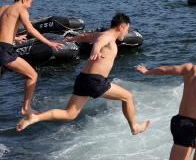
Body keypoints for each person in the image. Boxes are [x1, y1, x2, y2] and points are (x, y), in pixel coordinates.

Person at [16, 13, 150, 134]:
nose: (127, 32)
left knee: (69, 114)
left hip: (83, 79)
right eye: (127, 29)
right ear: (120, 27)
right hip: (95, 80)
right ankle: (134, 127)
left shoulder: (101, 34)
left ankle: (36, 117)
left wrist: (73, 38)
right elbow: (98, 43)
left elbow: (85, 37)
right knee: (127, 97)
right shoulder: (107, 36)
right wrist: (95, 50)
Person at [0, 0, 63, 116]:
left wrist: (15, 37)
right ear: (24, 0)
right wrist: (49, 42)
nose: (30, 6)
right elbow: (30, 30)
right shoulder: (21, 10)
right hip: (5, 50)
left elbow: (4, 27)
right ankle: (26, 108)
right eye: (30, 2)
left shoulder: (3, 8)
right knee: (32, 75)